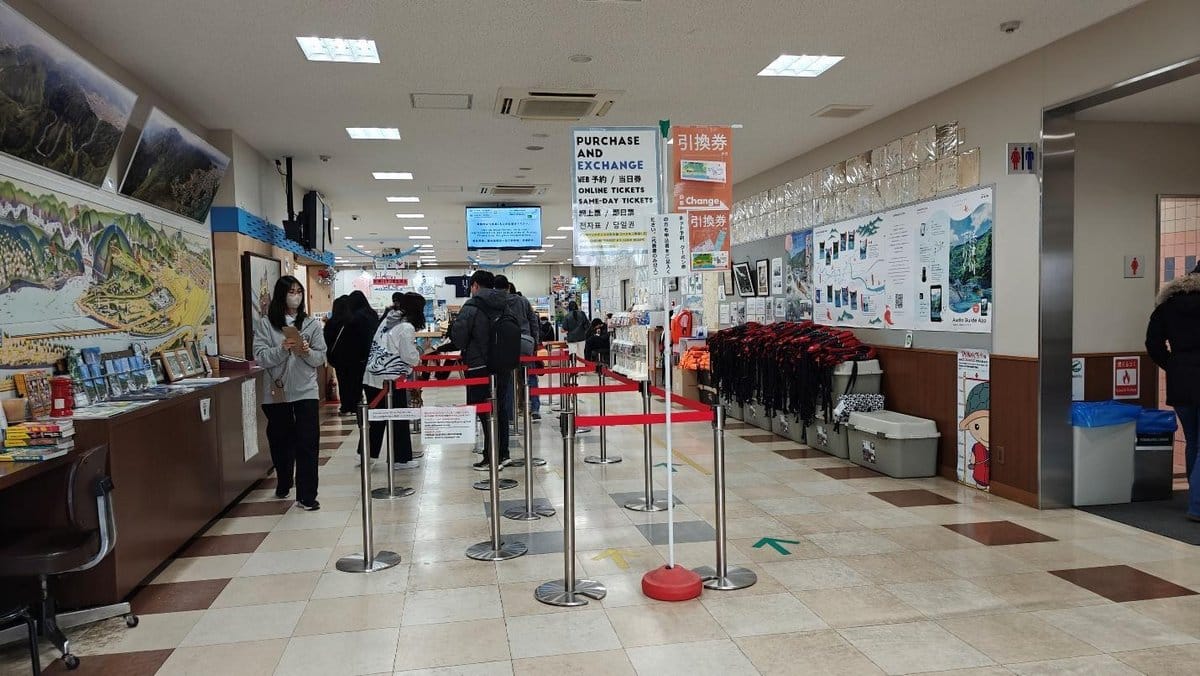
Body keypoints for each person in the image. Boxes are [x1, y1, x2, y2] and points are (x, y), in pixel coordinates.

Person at [253, 275, 327, 511]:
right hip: (278, 391)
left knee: (308, 442)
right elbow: (261, 357)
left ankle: (307, 496)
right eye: (291, 291)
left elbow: (320, 357)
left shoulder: (311, 325)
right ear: (281, 294)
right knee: (281, 441)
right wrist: (282, 350)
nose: (295, 296)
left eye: (299, 291)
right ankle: (284, 480)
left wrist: (305, 352)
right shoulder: (267, 324)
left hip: (306, 391)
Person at [1145, 262, 1200, 522]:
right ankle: (1197, 505)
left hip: (1180, 380)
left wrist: (1174, 365)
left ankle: (1195, 496)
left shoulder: (1167, 305)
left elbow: (1152, 344)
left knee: (1194, 441)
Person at [450, 270, 514, 471]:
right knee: (500, 409)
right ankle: (503, 453)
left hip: (478, 366)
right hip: (502, 364)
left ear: (475, 285)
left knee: (483, 410)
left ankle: (490, 456)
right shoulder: (505, 304)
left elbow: (458, 338)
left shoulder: (471, 306)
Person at [360, 292, 424, 469]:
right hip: (390, 378)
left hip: (373, 374)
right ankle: (400, 458)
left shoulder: (388, 320)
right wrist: (418, 356)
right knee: (399, 417)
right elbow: (409, 356)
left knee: (378, 418)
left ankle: (366, 453)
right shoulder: (405, 327)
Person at [339, 291, 379, 417]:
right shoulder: (372, 314)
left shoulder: (355, 318)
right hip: (373, 358)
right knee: (371, 389)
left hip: (357, 359)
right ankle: (374, 409)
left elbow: (352, 341)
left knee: (355, 387)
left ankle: (357, 409)